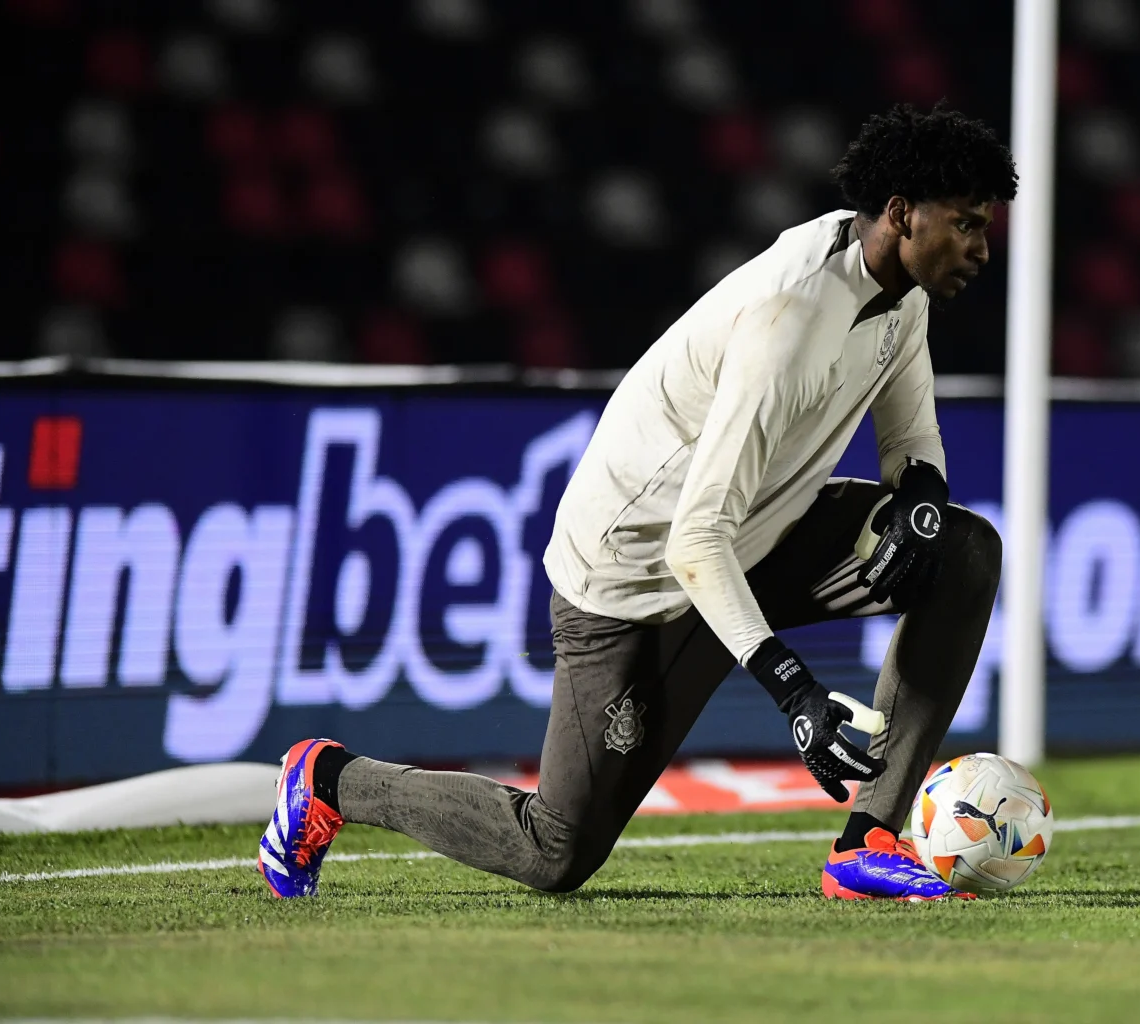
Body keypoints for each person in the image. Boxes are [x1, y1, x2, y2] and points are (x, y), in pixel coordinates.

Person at [259, 102, 1017, 902]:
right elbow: (693, 540)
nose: (981, 247)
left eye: (985, 226)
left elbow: (912, 445)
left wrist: (923, 503)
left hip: (754, 537)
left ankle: (868, 844)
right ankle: (331, 779)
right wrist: (795, 693)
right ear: (900, 214)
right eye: (966, 224)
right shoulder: (790, 322)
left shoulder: (901, 292)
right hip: (632, 580)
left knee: (962, 553)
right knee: (556, 851)